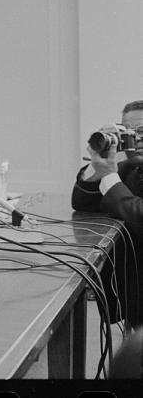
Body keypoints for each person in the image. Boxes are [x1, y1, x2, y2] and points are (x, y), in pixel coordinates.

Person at [72, 100, 143, 327]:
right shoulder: (129, 168)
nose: (135, 139)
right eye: (128, 132)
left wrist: (110, 177)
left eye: (141, 131)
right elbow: (82, 202)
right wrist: (97, 166)